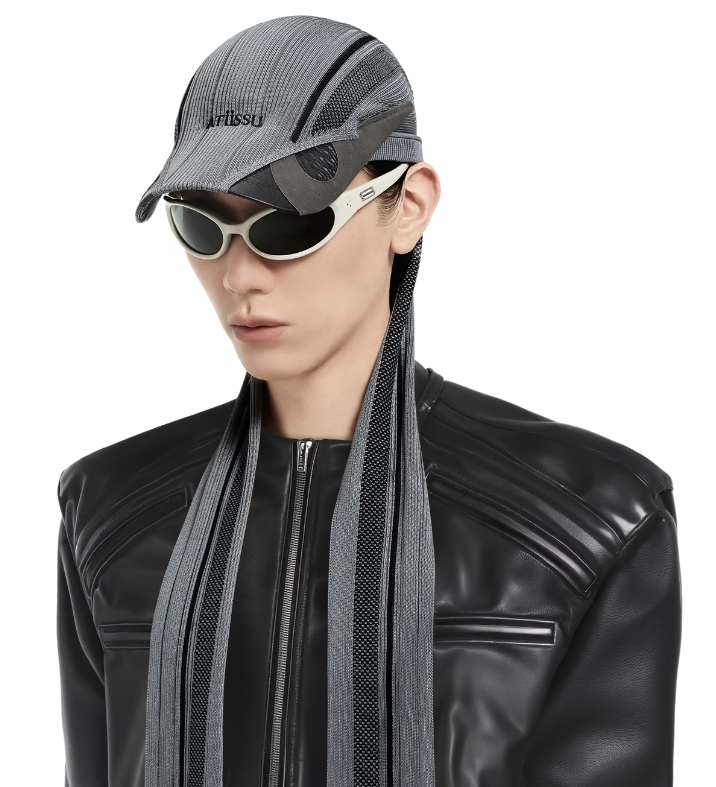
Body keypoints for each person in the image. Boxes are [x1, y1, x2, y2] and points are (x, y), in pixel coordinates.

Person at [55, 15, 682, 787]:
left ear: (409, 205)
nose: (239, 274)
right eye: (202, 225)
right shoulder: (108, 509)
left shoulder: (591, 517)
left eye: (289, 223)